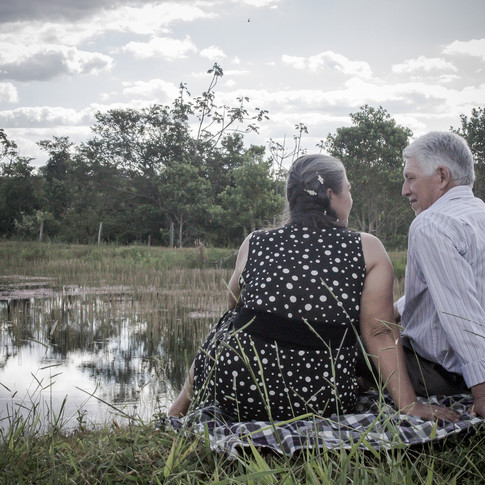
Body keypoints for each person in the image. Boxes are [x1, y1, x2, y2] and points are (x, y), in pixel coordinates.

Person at [169, 154, 458, 422]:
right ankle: (177, 410)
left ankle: (177, 410)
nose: (350, 198)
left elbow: (234, 305)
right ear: (331, 195)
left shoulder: (255, 241)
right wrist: (409, 405)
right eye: (348, 190)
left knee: (229, 322)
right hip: (323, 398)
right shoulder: (367, 248)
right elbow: (379, 332)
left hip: (241, 393)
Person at [395, 131, 485, 419]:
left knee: (354, 338)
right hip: (464, 369)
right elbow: (464, 283)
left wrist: (481, 392)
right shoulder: (478, 215)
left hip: (444, 375)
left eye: (411, 178)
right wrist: (396, 308)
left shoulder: (431, 224)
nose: (405, 190)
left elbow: (459, 311)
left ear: (442, 176)